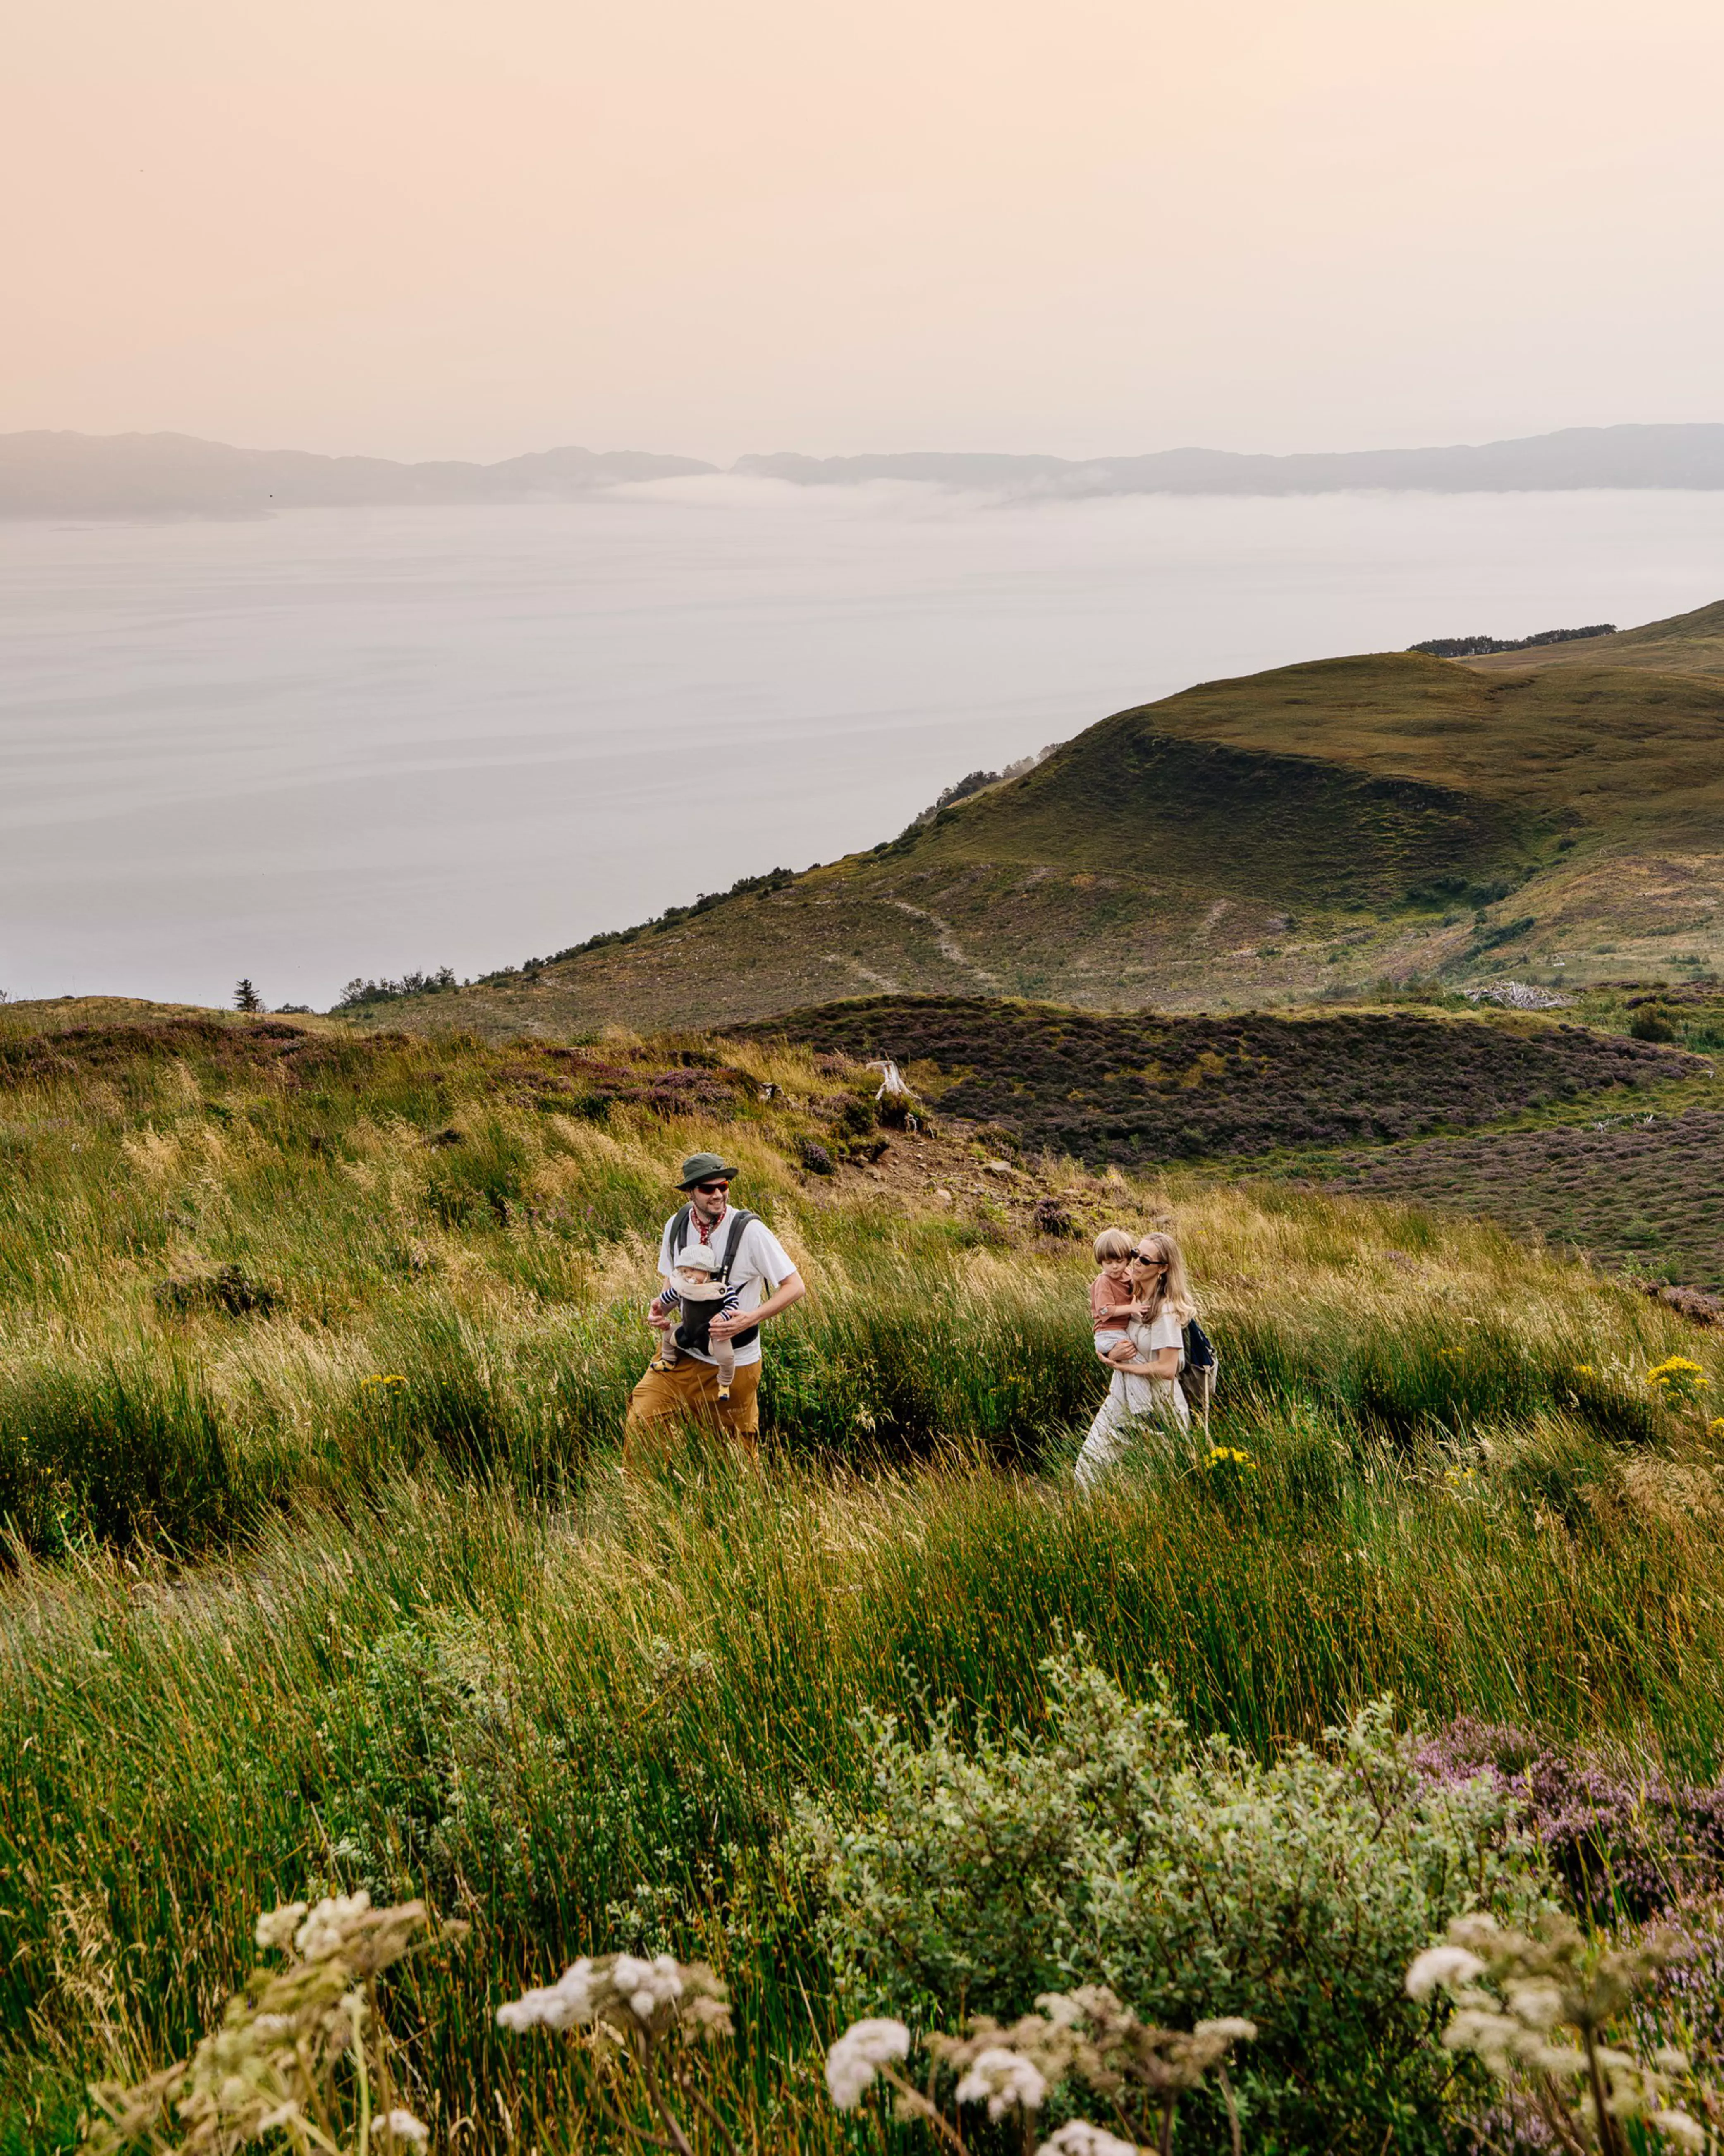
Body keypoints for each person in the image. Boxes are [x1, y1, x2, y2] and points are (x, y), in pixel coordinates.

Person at [624, 1152, 806, 1458]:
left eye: (723, 1186)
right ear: (690, 1192)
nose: (718, 1194)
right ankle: (642, 1500)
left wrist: (749, 1318)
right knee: (642, 1422)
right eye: (708, 1189)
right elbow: (674, 1279)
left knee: (735, 1455)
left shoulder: (749, 1232)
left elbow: (795, 1286)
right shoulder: (677, 1225)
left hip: (733, 1362)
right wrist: (661, 1309)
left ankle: (735, 1504)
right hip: (682, 1352)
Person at [1074, 1230, 1197, 1489]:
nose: (1136, 1262)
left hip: (1157, 1409)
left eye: (1145, 1260)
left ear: (1162, 1268)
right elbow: (1109, 1329)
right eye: (1135, 1255)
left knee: (1157, 1486)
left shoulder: (1165, 1310)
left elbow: (1167, 1368)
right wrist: (1108, 1353)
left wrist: (1121, 1365)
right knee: (1088, 1470)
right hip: (1122, 1399)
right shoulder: (1133, 1295)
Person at [649, 1243, 744, 1398]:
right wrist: (658, 1302)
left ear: (707, 1270)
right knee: (667, 1336)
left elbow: (733, 1305)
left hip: (712, 1333)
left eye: (693, 1270)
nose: (688, 1275)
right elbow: (669, 1296)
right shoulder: (683, 1288)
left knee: (726, 1356)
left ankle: (725, 1383)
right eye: (685, 1271)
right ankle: (668, 1360)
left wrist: (724, 1315)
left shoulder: (720, 1288)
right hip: (689, 1330)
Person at [1090, 1227, 1142, 1369]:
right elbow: (1104, 1311)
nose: (1114, 1267)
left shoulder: (1128, 1274)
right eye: (1108, 1263)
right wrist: (1131, 1308)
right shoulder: (1104, 1282)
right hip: (1108, 1333)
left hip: (1121, 1331)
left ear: (1128, 1260)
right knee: (1137, 1361)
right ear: (1101, 1262)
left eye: (1119, 1261)